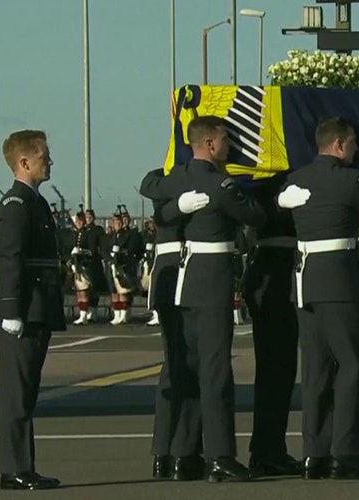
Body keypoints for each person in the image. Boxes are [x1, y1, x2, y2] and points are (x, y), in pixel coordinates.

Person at [276, 116, 359, 480]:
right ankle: (345, 453)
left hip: (304, 282)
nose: (357, 149)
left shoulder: (297, 180)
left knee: (315, 369)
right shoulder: (352, 179)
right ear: (338, 145)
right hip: (336, 282)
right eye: (352, 143)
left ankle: (314, 453)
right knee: (349, 365)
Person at [141, 115, 266, 482]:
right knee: (214, 371)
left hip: (179, 281)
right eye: (226, 139)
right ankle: (219, 455)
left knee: (182, 369)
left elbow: (153, 191)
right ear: (210, 144)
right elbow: (254, 215)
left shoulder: (174, 179)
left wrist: (175, 205)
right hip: (209, 280)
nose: (231, 145)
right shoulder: (219, 183)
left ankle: (179, 455)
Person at [0, 130, 65, 490]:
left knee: (27, 392)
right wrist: (11, 309)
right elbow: (11, 259)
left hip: (38, 307)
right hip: (24, 308)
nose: (50, 162)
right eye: (44, 157)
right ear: (24, 163)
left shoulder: (36, 203)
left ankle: (22, 466)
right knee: (17, 394)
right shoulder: (16, 205)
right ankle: (15, 468)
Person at [140, 168, 211, 481]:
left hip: (171, 271)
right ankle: (184, 451)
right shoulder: (179, 178)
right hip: (183, 271)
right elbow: (149, 185)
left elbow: (150, 184)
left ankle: (164, 451)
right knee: (188, 366)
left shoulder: (166, 179)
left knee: (174, 368)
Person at [240, 173, 302, 476]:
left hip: (276, 269)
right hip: (276, 273)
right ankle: (267, 450)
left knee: (279, 369)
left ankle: (269, 447)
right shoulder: (266, 180)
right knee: (276, 368)